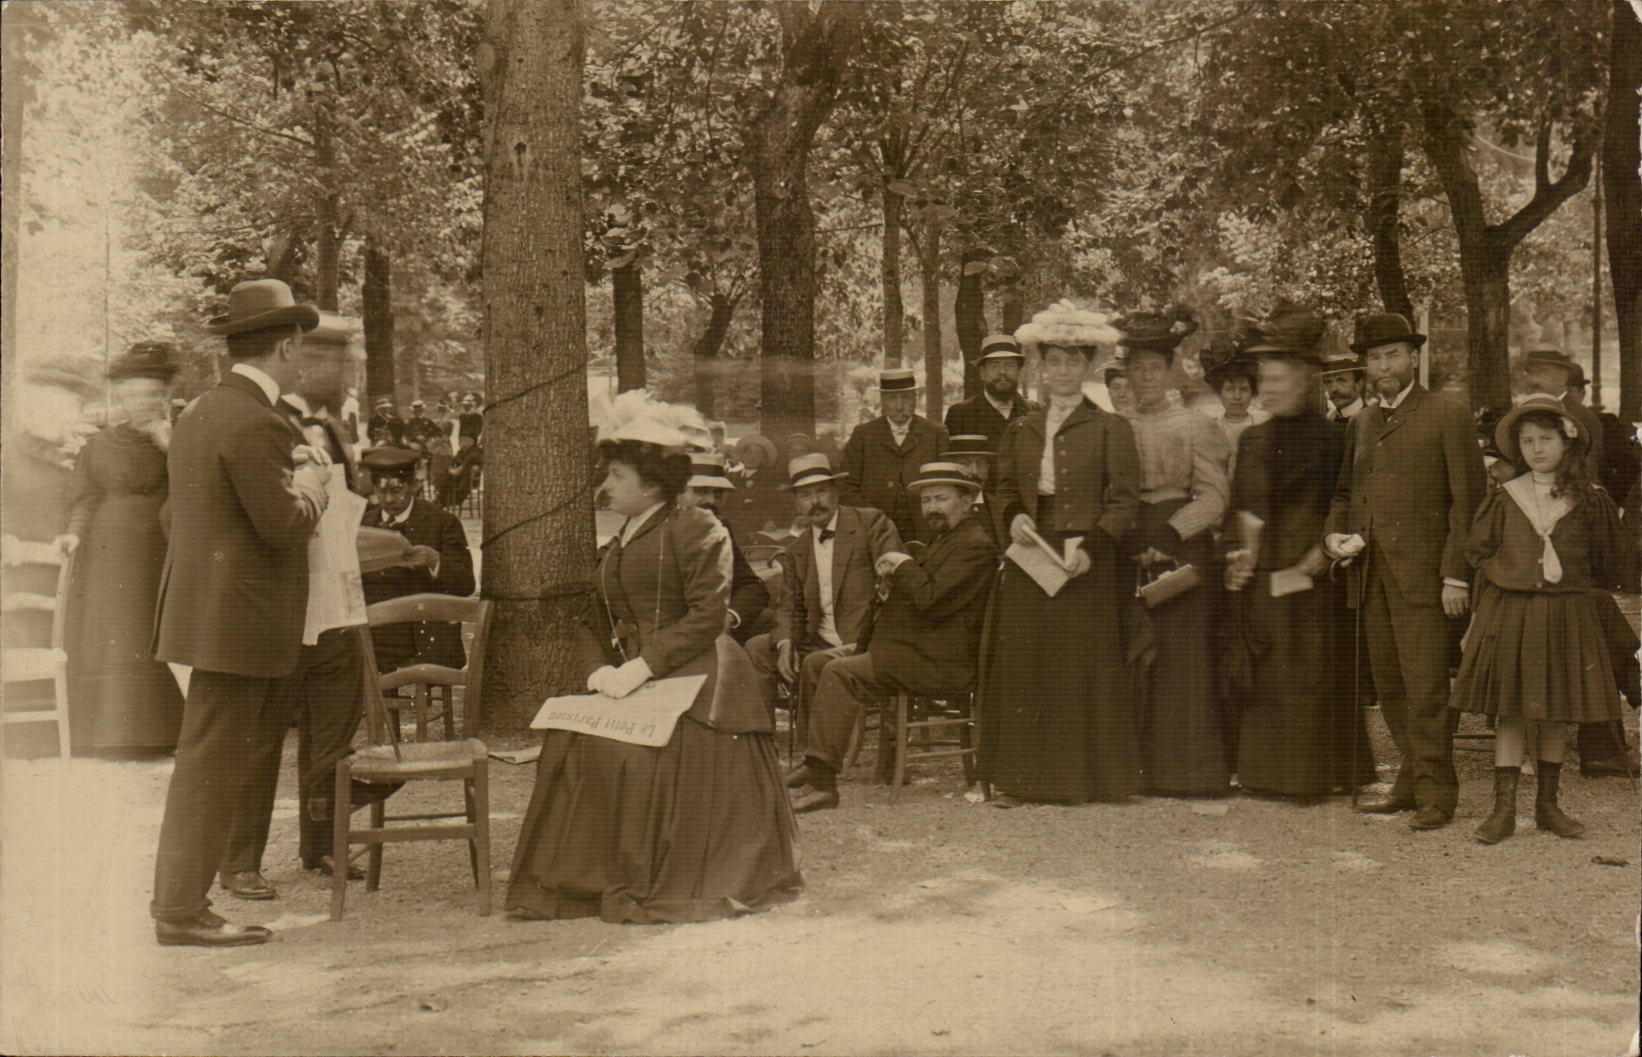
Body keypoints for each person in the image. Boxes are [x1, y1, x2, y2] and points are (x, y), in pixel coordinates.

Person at [507, 403, 802, 922]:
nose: (607, 485)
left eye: (618, 476)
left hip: (700, 677)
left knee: (632, 757)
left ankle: (649, 875)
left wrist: (641, 668)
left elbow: (710, 614)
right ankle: (584, 879)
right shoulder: (621, 538)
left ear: (649, 484)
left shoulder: (697, 527)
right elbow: (589, 614)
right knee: (573, 741)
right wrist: (599, 667)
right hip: (639, 675)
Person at [149, 278, 330, 947]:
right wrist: (314, 484)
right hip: (239, 624)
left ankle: (178, 902)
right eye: (301, 346)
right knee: (212, 767)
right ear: (284, 346)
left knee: (205, 762)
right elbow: (283, 524)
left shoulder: (199, 411)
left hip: (205, 616)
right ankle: (180, 910)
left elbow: (177, 515)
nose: (303, 358)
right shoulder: (256, 419)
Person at [219, 317, 379, 894]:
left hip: (334, 601)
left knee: (333, 736)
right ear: (297, 357)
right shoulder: (265, 422)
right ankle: (240, 861)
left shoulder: (334, 429)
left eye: (345, 361)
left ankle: (323, 845)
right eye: (331, 360)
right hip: (281, 607)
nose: (341, 372)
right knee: (261, 740)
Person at [1449, 395, 1637, 843]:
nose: (1536, 449)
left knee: (1555, 710)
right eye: (1528, 441)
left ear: (1566, 443)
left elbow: (1607, 561)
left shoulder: (1590, 501)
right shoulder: (1505, 498)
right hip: (1512, 613)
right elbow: (1479, 553)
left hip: (1565, 614)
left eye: (1546, 439)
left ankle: (1548, 805)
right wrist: (1481, 614)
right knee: (1511, 711)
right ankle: (1504, 810)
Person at [1325, 311, 1486, 831]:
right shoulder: (1362, 423)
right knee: (1391, 687)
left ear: (1413, 357)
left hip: (1426, 581)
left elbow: (1469, 502)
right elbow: (1345, 495)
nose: (1383, 365)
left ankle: (1438, 793)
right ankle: (1411, 780)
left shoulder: (1447, 412)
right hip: (1370, 577)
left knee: (1426, 688)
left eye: (1393, 354)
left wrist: (1456, 575)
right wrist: (1334, 536)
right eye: (1374, 357)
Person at [979, 302, 1142, 806]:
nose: (1063, 372)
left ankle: (1084, 781)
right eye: (1054, 362)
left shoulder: (1110, 427)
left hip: (1086, 557)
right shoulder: (1021, 428)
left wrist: (1095, 547)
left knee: (1080, 665)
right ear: (1042, 368)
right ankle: (1022, 780)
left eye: (1073, 362)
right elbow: (1003, 489)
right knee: (1028, 664)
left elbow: (1123, 500)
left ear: (1089, 367)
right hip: (1032, 553)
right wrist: (1013, 518)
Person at [1223, 309, 1374, 798]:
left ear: (1307, 380)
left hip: (1314, 572)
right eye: (1263, 378)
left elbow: (1348, 501)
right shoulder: (1252, 439)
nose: (1268, 388)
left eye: (1279, 378)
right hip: (1267, 571)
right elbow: (1245, 506)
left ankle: (1316, 776)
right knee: (1266, 666)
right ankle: (1266, 774)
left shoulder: (1335, 438)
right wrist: (1240, 554)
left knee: (1313, 671)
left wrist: (1325, 550)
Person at [787, 463, 996, 813]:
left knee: (839, 672)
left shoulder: (975, 546)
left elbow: (930, 600)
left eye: (941, 499)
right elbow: (924, 597)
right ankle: (814, 762)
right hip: (914, 650)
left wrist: (902, 566)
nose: (932, 508)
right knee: (818, 661)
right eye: (927, 500)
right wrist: (888, 590)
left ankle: (823, 783)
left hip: (940, 661)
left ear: (968, 500)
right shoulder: (947, 539)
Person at [1118, 309, 1233, 796]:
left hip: (1182, 548)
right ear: (1126, 373)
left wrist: (1170, 534)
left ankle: (1189, 771)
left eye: (1154, 368)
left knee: (1184, 658)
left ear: (1169, 371)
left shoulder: (1195, 425)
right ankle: (1135, 771)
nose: (1145, 377)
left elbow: (1214, 497)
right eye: (1136, 368)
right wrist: (1127, 537)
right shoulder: (1113, 425)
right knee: (1136, 654)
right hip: (1128, 544)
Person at [60, 342, 185, 756]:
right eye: (132, 395)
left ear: (163, 397)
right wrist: (75, 534)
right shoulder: (100, 445)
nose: (140, 404)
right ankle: (108, 736)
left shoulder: (180, 439)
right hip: (106, 551)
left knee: (149, 630)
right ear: (122, 398)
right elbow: (85, 497)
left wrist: (167, 443)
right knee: (110, 633)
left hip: (158, 549)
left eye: (150, 395)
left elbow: (197, 485)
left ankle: (158, 733)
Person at [744, 454, 903, 736]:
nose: (814, 502)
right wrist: (785, 644)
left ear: (835, 492)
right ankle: (763, 741)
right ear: (797, 503)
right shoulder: (798, 548)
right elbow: (788, 604)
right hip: (817, 640)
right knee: (758, 648)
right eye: (805, 495)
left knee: (815, 664)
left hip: (866, 639)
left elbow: (895, 575)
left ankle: (811, 754)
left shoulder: (870, 523)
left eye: (821, 492)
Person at [361, 448, 477, 672]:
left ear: (413, 485)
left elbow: (465, 584)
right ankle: (375, 707)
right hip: (375, 635)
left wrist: (434, 561)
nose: (388, 499)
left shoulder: (441, 522)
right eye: (380, 491)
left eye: (397, 490)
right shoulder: (363, 524)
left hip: (422, 636)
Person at [840, 368, 949, 544]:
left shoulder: (936, 433)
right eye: (892, 398)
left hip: (926, 530)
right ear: (882, 401)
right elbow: (846, 487)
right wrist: (874, 518)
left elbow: (945, 484)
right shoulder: (863, 435)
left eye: (905, 397)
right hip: (875, 533)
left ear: (915, 398)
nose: (899, 406)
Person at [678, 449, 771, 647]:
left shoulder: (719, 528)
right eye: (702, 491)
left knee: (770, 622)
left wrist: (729, 616)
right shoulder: (657, 530)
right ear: (679, 492)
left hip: (715, 627)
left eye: (717, 493)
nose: (711, 501)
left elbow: (752, 586)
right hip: (674, 632)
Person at [944, 334, 1035, 448]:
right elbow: (954, 462)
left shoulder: (1035, 412)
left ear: (1019, 371)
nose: (1002, 372)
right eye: (995, 366)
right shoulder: (960, 415)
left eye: (1010, 365)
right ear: (982, 373)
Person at [1200, 340, 1267, 480]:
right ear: (1220, 394)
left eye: (1244, 389)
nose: (1237, 397)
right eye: (1229, 390)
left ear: (1252, 393)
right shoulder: (1212, 428)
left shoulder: (1264, 423)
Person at [940, 434, 1005, 547]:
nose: (974, 472)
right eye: (965, 464)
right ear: (951, 467)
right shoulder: (937, 508)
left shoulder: (1001, 507)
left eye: (980, 464)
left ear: (987, 470)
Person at [1321, 355, 1369, 428]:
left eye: (1341, 380)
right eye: (1328, 382)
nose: (1334, 389)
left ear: (1359, 384)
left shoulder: (1372, 420)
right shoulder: (1327, 421)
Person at [440, 433, 483, 510]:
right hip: (459, 478)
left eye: (465, 440)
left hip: (468, 481)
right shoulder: (462, 451)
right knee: (445, 476)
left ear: (472, 441)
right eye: (461, 440)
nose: (462, 442)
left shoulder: (476, 452)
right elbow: (454, 462)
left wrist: (456, 471)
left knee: (448, 479)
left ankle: (444, 501)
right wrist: (452, 469)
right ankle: (441, 500)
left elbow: (465, 464)